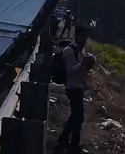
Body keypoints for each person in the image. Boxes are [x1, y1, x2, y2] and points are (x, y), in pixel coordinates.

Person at [54, 26, 94, 154]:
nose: (85, 39)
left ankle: (65, 139)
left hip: (78, 86)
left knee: (76, 117)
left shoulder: (80, 50)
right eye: (83, 36)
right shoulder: (69, 51)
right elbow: (70, 70)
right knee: (78, 117)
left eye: (86, 36)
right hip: (72, 87)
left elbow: (81, 69)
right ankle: (73, 144)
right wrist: (83, 64)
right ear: (77, 35)